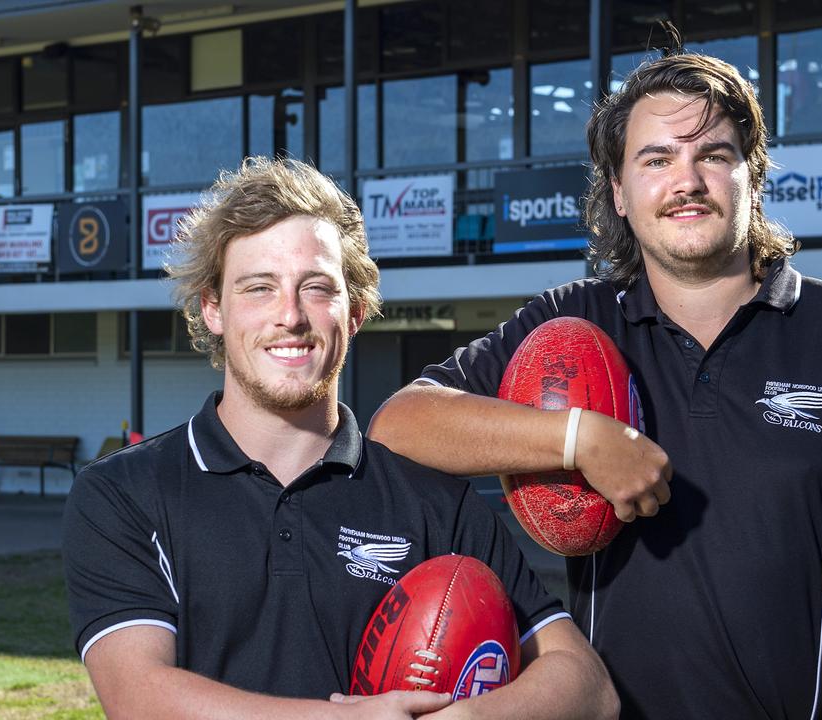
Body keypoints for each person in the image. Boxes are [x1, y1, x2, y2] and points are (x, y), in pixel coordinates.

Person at [368, 48, 822, 719]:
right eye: (656, 159)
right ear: (619, 192)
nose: (686, 181)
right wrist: (576, 435)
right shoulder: (571, 324)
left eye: (713, 154)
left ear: (753, 175)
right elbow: (401, 422)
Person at [61, 157, 618, 720]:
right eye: (259, 288)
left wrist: (472, 717)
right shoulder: (123, 493)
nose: (290, 316)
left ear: (353, 312)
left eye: (316, 288)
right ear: (213, 310)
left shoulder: (434, 502)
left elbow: (589, 686)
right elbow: (138, 698)